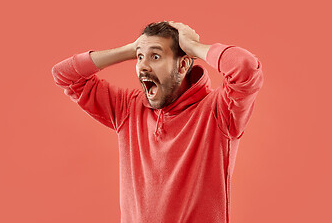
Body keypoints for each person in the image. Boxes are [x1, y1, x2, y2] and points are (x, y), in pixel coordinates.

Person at [51, 21, 264, 223]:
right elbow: (65, 75)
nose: (143, 66)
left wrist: (193, 46)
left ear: (182, 65)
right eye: (140, 57)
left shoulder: (218, 111)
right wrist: (131, 48)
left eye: (155, 57)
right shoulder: (128, 108)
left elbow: (245, 68)